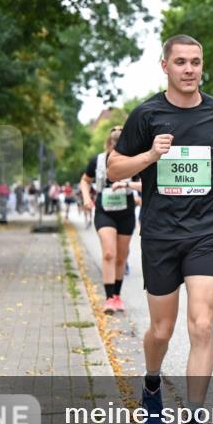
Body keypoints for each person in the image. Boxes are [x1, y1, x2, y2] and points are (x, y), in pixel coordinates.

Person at [108, 34, 213, 424]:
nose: (189, 69)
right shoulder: (147, 114)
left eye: (196, 62)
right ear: (164, 66)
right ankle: (150, 382)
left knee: (201, 325)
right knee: (161, 331)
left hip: (206, 232)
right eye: (180, 61)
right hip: (161, 235)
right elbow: (114, 169)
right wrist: (148, 156)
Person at [80, 126, 142, 314]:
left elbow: (145, 184)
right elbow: (85, 181)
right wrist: (86, 199)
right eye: (114, 144)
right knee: (109, 253)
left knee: (121, 256)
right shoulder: (98, 161)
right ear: (109, 143)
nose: (117, 147)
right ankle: (108, 299)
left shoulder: (134, 161)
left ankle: (117, 296)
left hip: (126, 212)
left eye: (121, 143)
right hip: (104, 211)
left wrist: (126, 184)